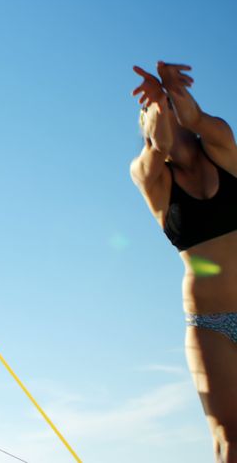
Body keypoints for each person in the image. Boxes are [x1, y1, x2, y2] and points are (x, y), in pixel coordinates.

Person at [131, 61, 237, 461]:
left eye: (167, 108)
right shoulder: (151, 178)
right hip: (210, 325)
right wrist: (158, 104)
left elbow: (192, 116)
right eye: (151, 113)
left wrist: (173, 95)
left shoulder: (223, 145)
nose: (161, 115)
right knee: (230, 439)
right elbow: (158, 145)